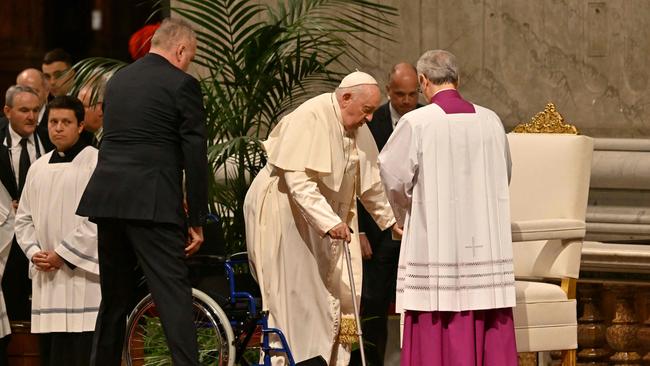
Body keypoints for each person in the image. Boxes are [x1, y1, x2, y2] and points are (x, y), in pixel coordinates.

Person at [76, 17, 208, 366]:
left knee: (114, 299)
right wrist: (196, 217)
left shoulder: (118, 81)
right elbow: (195, 156)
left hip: (108, 198)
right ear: (180, 49)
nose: (187, 64)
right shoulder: (182, 85)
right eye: (189, 56)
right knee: (173, 296)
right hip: (151, 202)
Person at [244, 71, 399, 365]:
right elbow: (298, 182)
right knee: (296, 300)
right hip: (285, 215)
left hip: (323, 221)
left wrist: (390, 220)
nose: (369, 119)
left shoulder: (357, 125)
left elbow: (370, 182)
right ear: (346, 98)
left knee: (334, 299)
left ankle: (327, 360)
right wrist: (328, 222)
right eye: (366, 111)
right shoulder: (310, 117)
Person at [378, 49, 516, 366]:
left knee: (436, 316)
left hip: (435, 242)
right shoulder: (491, 120)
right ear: (458, 78)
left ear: (424, 81)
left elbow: (392, 175)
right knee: (485, 309)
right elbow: (504, 174)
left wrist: (404, 215)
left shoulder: (417, 122)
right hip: (484, 245)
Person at [15, 95, 100, 366]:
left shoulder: (96, 163)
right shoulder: (38, 168)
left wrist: (62, 254)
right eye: (53, 122)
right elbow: (23, 219)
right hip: (47, 279)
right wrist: (35, 253)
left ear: (80, 125)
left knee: (82, 353)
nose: (58, 128)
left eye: (66, 122)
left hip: (83, 280)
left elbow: (100, 219)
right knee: (51, 356)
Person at [353, 62, 420, 366]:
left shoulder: (425, 119)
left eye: (412, 94)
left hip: (415, 229)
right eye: (400, 95)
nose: (407, 101)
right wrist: (360, 231)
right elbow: (354, 174)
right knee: (374, 303)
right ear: (389, 91)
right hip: (378, 233)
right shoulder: (370, 121)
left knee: (418, 302)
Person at [0, 85, 54, 330]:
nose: (31, 116)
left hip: (42, 232)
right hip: (5, 236)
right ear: (8, 111)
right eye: (24, 110)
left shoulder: (49, 138)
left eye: (35, 110)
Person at [77, 78, 107, 147]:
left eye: (83, 106)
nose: (77, 110)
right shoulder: (82, 135)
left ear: (100, 108)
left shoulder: (115, 139)